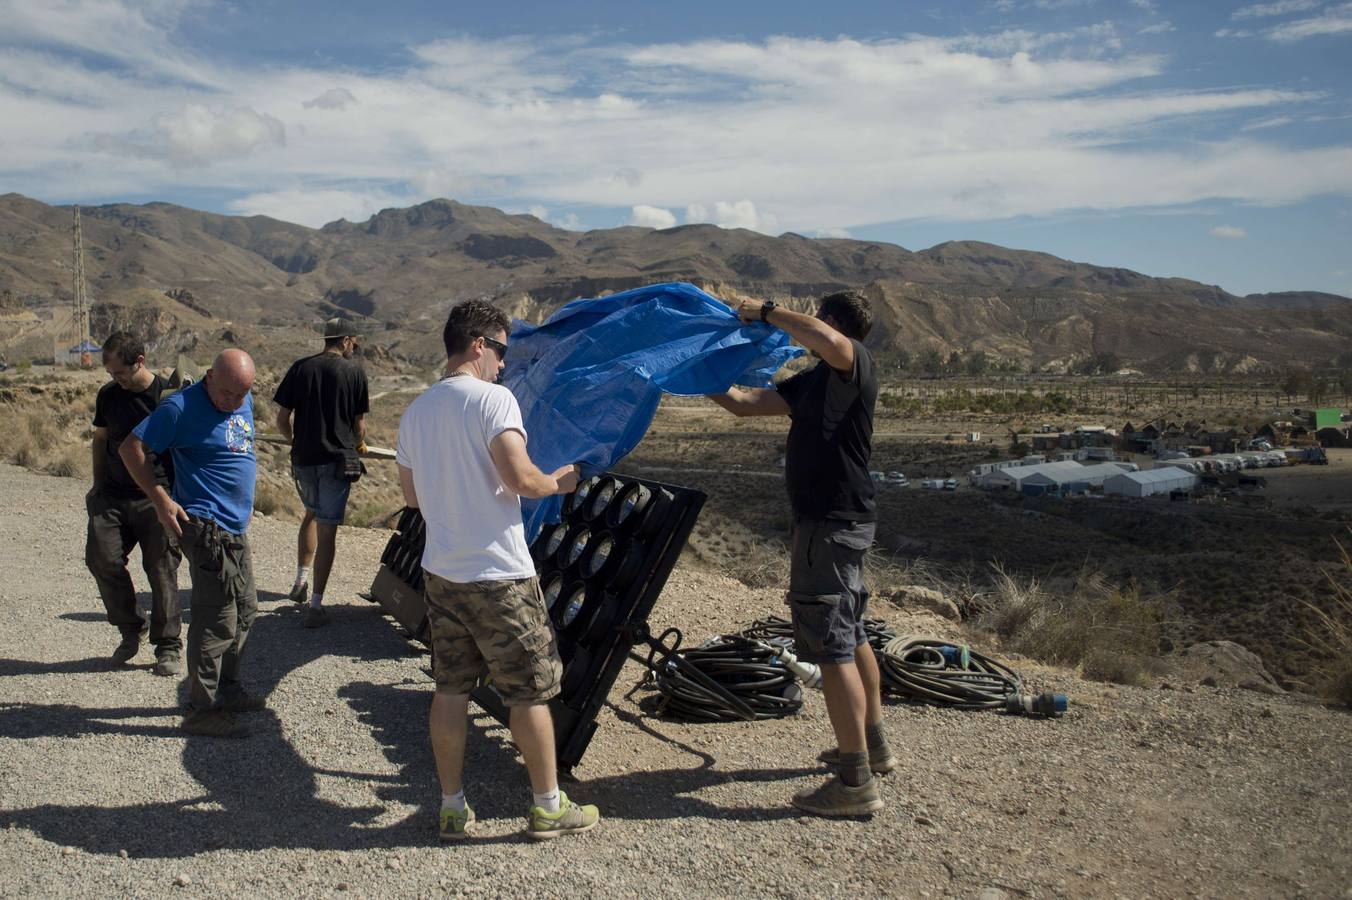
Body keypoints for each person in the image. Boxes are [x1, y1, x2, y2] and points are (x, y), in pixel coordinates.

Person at [396, 299, 599, 841]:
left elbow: (412, 499)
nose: (505, 364)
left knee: (451, 690)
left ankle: (452, 807)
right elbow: (521, 479)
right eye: (502, 351)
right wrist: (560, 482)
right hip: (500, 576)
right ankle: (547, 807)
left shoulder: (415, 413)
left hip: (442, 574)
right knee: (529, 692)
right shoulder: (494, 400)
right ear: (479, 344)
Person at [708, 290, 893, 817]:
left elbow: (828, 340)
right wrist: (694, 376)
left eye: (818, 321)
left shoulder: (853, 362)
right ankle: (873, 747)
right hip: (838, 523)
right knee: (852, 634)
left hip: (830, 525)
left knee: (831, 646)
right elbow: (746, 405)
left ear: (831, 321)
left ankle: (854, 782)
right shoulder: (816, 382)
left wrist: (764, 312)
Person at [120, 349, 262, 738]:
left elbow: (240, 447)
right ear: (210, 377)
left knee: (247, 609)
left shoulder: (242, 397)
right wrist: (161, 499)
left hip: (235, 527)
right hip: (205, 526)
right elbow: (130, 449)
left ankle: (229, 690)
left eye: (243, 394)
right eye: (229, 393)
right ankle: (202, 709)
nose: (235, 402)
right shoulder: (180, 408)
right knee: (217, 618)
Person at [85, 332, 182, 675]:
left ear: (139, 361)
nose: (115, 380)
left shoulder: (167, 398)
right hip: (112, 495)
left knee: (161, 569)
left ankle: (168, 645)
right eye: (110, 374)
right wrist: (97, 484)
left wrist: (175, 499)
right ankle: (131, 628)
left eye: (120, 373)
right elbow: (100, 439)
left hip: (156, 497)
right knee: (101, 559)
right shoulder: (109, 395)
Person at [273, 317, 370, 629]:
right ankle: (316, 605)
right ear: (343, 340)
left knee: (310, 515)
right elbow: (359, 426)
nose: (354, 346)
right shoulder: (354, 372)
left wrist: (295, 442)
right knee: (328, 529)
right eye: (353, 341)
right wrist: (359, 444)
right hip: (337, 461)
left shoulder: (301, 368)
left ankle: (299, 582)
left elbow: (282, 418)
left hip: (304, 459)